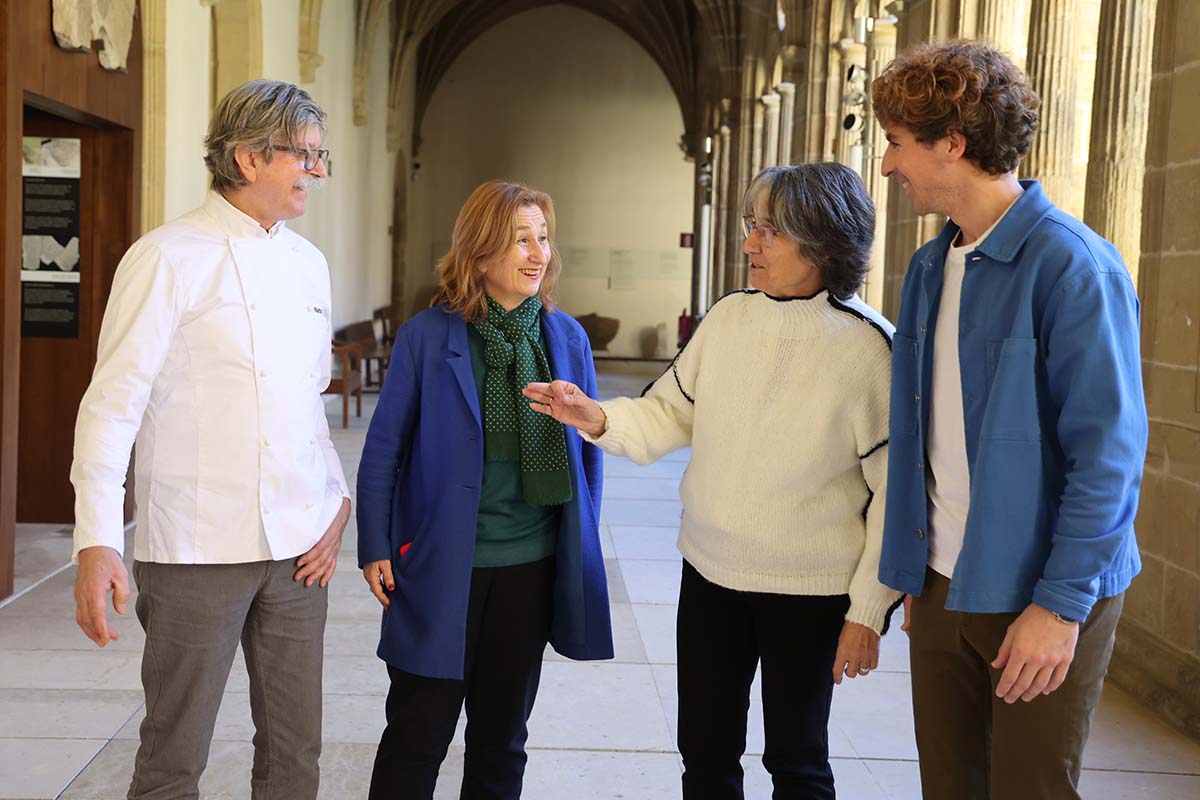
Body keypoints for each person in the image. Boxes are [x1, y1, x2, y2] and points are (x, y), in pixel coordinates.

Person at [523, 162, 901, 800]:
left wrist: (868, 611)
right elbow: (671, 412)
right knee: (704, 753)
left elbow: (895, 493)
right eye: (752, 226)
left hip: (809, 596)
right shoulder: (727, 320)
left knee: (797, 761)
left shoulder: (871, 347)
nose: (750, 244)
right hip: (710, 578)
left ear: (825, 240)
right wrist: (597, 415)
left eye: (769, 231)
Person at [872, 41, 1148, 800]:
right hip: (943, 587)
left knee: (1029, 789)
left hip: (1043, 592)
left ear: (951, 144)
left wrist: (1059, 607)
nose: (888, 165)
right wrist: (909, 584)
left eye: (897, 143)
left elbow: (1110, 458)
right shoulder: (931, 267)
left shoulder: (1074, 266)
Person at [70, 79, 350, 800]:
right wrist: (96, 538)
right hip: (196, 550)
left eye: (322, 157)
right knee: (174, 756)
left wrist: (336, 502)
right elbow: (111, 407)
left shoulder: (309, 264)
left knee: (296, 756)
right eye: (305, 156)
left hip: (298, 552)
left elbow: (308, 403)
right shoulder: (164, 257)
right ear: (250, 157)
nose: (316, 172)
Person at [357, 179, 613, 800]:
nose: (537, 253)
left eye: (543, 238)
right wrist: (375, 543)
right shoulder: (428, 335)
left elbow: (590, 458)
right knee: (418, 732)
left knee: (502, 738)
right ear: (478, 252)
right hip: (442, 563)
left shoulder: (565, 338)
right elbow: (385, 448)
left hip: (530, 564)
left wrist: (578, 546)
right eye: (519, 239)